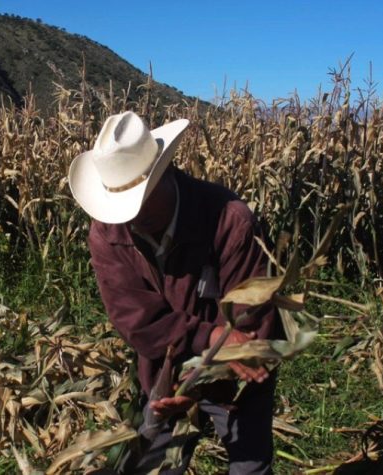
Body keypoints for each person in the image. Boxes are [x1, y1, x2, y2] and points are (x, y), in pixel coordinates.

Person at [68, 111, 283, 474]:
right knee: (154, 464)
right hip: (162, 373)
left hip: (235, 375)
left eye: (143, 199)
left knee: (250, 465)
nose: (132, 218)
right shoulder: (108, 233)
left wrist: (198, 382)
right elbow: (138, 320)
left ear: (167, 172)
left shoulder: (230, 220)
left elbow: (249, 322)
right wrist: (207, 340)